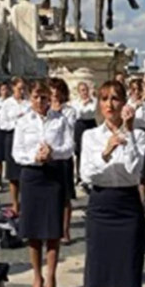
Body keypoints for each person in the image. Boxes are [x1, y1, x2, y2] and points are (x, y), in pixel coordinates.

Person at [81, 80, 145, 287]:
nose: (110, 105)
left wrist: (129, 134)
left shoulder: (139, 135)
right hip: (101, 206)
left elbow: (134, 173)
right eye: (105, 99)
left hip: (127, 206)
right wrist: (106, 152)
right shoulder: (90, 137)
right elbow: (87, 172)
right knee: (103, 280)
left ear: (124, 104)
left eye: (115, 99)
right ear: (99, 104)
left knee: (128, 281)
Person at [13, 80, 72, 287]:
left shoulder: (61, 120)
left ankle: (51, 275)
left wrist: (53, 152)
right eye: (37, 97)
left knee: (53, 230)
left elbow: (69, 148)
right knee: (34, 231)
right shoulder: (23, 122)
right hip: (32, 175)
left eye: (45, 97)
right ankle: (37, 276)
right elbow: (16, 152)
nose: (41, 101)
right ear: (30, 98)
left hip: (53, 175)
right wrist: (34, 157)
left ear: (51, 98)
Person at [49, 78, 77, 244]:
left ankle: (65, 230)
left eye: (57, 90)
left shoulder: (69, 111)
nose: (54, 93)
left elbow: (69, 129)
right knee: (50, 195)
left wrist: (57, 112)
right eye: (51, 90)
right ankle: (52, 228)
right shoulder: (44, 108)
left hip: (63, 156)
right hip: (48, 157)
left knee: (65, 196)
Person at [2, 77, 30, 214]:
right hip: (12, 136)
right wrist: (17, 122)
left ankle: (26, 201)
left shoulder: (28, 104)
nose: (22, 91)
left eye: (23, 88)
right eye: (19, 88)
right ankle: (14, 203)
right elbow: (2, 123)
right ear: (13, 88)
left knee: (25, 172)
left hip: (26, 138)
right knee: (13, 175)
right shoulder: (7, 104)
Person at [127, 78, 145, 204]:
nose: (136, 92)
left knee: (142, 173)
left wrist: (140, 105)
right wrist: (134, 107)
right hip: (129, 134)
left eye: (138, 89)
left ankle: (142, 203)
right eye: (133, 89)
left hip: (141, 135)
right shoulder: (126, 103)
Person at [73, 81, 97, 184]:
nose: (85, 92)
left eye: (86, 90)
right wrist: (84, 103)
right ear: (79, 92)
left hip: (91, 124)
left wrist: (89, 101)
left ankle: (92, 172)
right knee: (79, 150)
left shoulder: (94, 101)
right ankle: (79, 175)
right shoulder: (76, 102)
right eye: (82, 90)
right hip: (80, 125)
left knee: (92, 149)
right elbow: (79, 113)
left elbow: (93, 111)